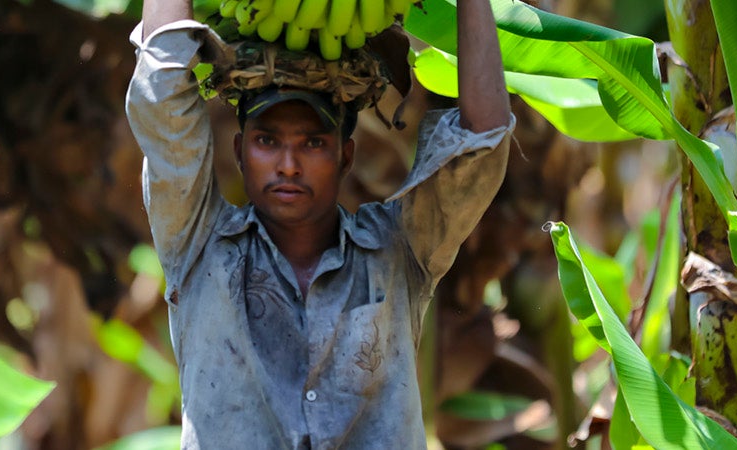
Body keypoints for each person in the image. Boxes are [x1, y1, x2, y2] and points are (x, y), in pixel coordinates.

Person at [126, 0, 513, 447]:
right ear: (239, 153)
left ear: (345, 157)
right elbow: (161, 94)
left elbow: (483, 140)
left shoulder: (398, 250)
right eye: (267, 141)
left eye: (312, 143)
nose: (288, 165)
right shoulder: (198, 243)